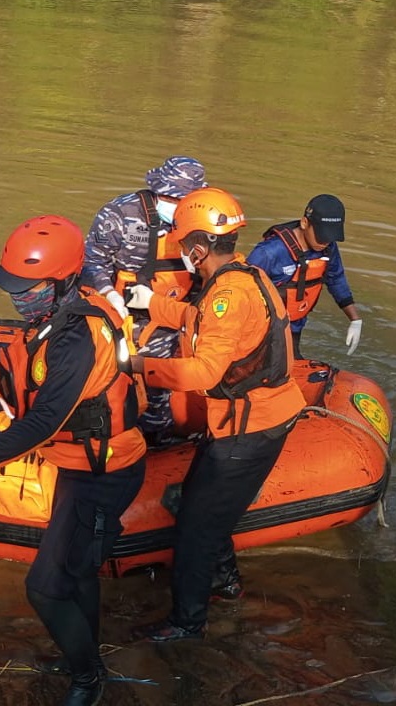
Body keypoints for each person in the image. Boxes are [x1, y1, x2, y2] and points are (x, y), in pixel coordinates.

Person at [0, 215, 147, 706]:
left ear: (61, 281)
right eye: (14, 286)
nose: (18, 297)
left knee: (45, 587)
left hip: (103, 471)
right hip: (81, 464)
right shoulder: (68, 314)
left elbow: (44, 423)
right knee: (78, 571)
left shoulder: (77, 338)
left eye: (28, 287)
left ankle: (88, 678)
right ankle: (85, 654)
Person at [125, 187, 306, 641]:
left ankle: (187, 624)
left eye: (185, 245)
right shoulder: (248, 277)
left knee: (194, 532)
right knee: (198, 503)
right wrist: (155, 306)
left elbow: (205, 370)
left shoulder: (227, 295)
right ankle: (226, 585)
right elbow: (203, 320)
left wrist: (137, 367)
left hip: (249, 429)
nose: (183, 253)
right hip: (255, 419)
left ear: (199, 247)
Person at [81, 156, 208, 444]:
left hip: (168, 317)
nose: (174, 203)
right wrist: (109, 294)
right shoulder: (118, 213)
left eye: (181, 199)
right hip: (119, 316)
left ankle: (156, 445)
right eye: (169, 197)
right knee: (110, 382)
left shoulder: (200, 218)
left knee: (159, 387)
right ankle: (106, 440)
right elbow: (92, 262)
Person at [246, 194, 362, 359]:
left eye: (331, 237)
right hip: (262, 331)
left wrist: (355, 320)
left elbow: (336, 278)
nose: (326, 242)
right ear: (305, 223)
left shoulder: (328, 248)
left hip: (293, 329)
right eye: (322, 235)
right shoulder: (269, 252)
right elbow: (241, 289)